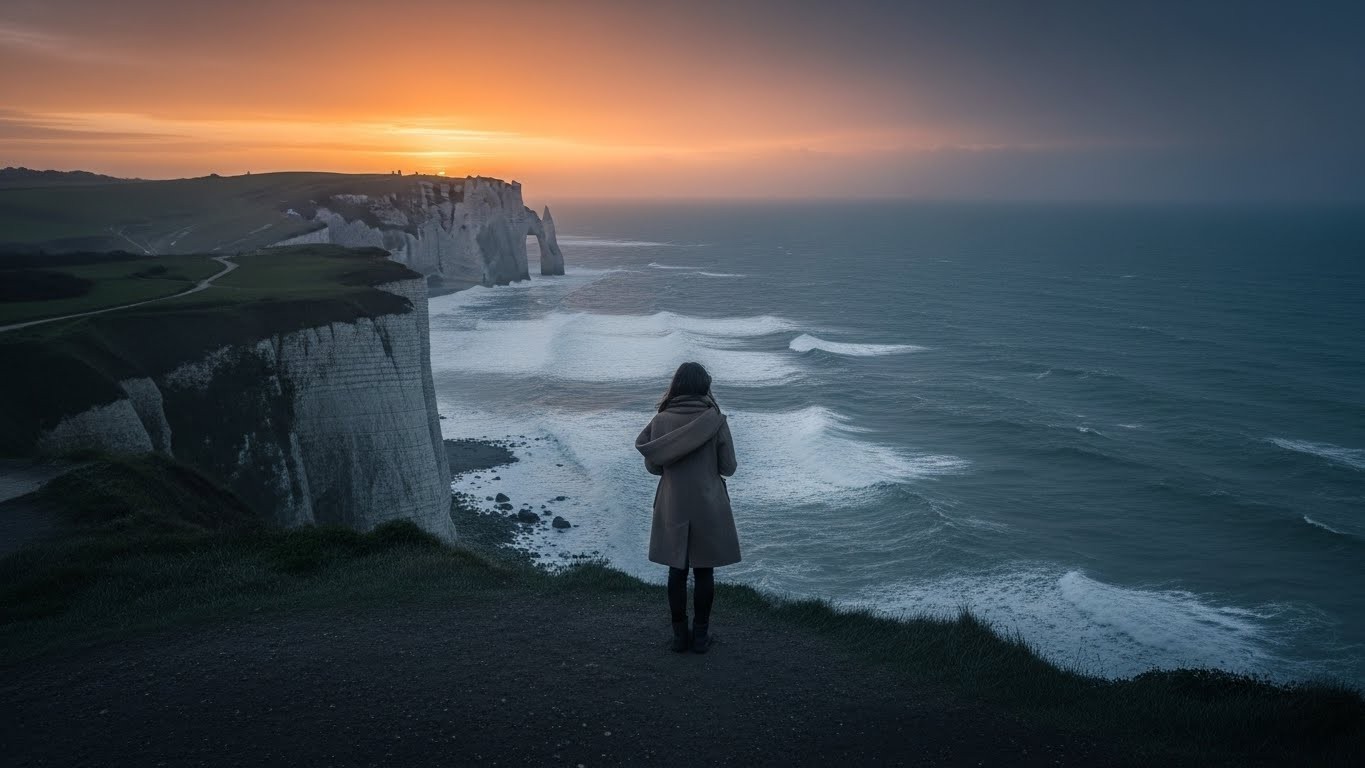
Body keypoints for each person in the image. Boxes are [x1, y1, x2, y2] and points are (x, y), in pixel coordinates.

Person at [635, 362, 740, 654]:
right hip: (708, 503)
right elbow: (728, 468)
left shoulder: (661, 420)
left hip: (674, 503)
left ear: (677, 385)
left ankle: (680, 636)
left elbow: (654, 466)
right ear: (705, 386)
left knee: (676, 572)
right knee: (704, 572)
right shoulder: (715, 420)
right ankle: (702, 637)